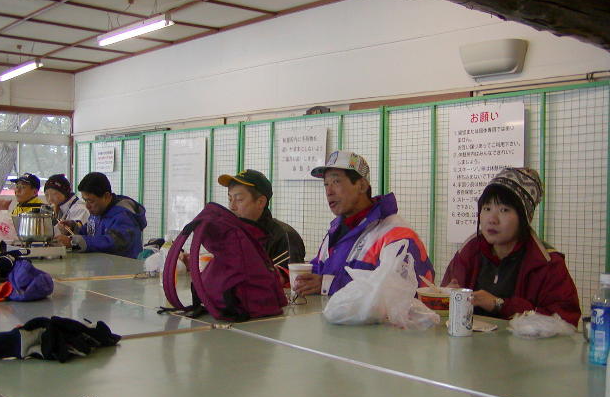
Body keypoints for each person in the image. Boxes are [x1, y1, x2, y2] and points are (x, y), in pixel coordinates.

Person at [441, 167, 581, 327]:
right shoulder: (468, 252)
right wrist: (445, 297)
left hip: (523, 344)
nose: (492, 219)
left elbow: (565, 321)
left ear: (524, 218)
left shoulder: (546, 263)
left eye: (504, 210)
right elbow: (443, 307)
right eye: (487, 208)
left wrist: (500, 305)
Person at [294, 150, 434, 297]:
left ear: (361, 186)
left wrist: (328, 285)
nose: (329, 191)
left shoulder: (396, 234)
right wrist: (289, 277)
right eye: (326, 184)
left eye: (336, 182)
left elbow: (401, 291)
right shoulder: (336, 231)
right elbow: (318, 270)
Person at [217, 169, 306, 278]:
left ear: (260, 202)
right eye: (230, 199)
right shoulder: (233, 233)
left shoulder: (284, 236)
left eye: (239, 199)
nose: (231, 206)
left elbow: (291, 280)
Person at [55, 172, 147, 259]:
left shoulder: (124, 216)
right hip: (103, 266)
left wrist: (73, 242)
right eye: (85, 200)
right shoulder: (98, 212)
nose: (87, 206)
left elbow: (111, 243)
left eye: (91, 201)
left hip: (125, 268)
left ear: (106, 196)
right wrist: (72, 228)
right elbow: (89, 232)